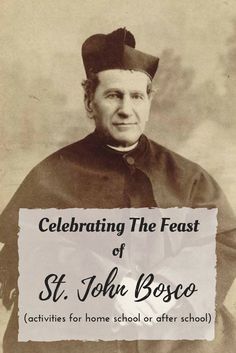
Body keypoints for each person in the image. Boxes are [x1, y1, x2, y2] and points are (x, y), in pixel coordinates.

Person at [0, 27, 235, 353]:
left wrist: (167, 285)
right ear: (89, 102)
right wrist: (107, 281)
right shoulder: (51, 175)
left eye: (136, 96)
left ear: (149, 102)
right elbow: (23, 247)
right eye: (113, 96)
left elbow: (223, 239)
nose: (126, 108)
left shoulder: (188, 176)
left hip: (174, 332)